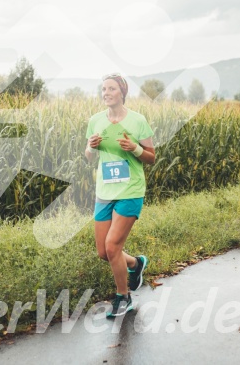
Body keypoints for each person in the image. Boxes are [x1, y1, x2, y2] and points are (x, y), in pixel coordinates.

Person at [85, 73, 156, 318]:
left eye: (111, 88)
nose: (106, 93)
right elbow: (89, 157)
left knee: (113, 246)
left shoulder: (138, 121)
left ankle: (123, 296)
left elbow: (151, 157)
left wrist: (135, 148)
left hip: (130, 190)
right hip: (105, 191)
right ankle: (136, 264)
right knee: (103, 253)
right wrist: (91, 147)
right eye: (103, 89)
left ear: (122, 92)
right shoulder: (95, 120)